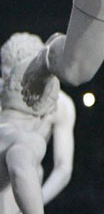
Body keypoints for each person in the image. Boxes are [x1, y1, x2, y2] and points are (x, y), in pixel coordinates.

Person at [1, 34, 74, 214]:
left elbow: (63, 168)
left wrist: (37, 197)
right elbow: (19, 166)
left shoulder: (61, 105)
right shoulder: (26, 142)